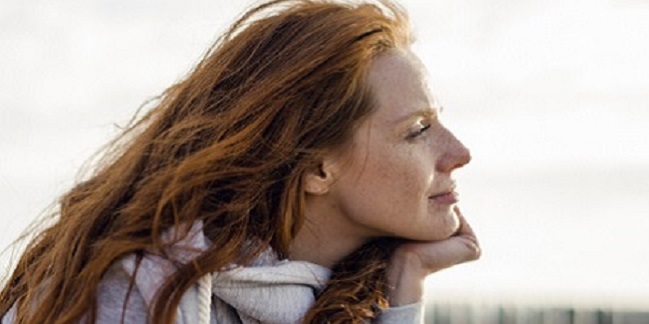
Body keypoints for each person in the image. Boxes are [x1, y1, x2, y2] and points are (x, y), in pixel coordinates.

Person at [0, 0, 480, 323]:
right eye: (418, 130)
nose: (459, 153)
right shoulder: (133, 294)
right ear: (316, 169)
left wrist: (405, 287)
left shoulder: (346, 299)